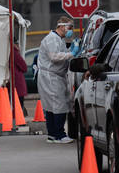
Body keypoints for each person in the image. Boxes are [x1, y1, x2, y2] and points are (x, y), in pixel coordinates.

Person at [37, 16, 80, 144]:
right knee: (59, 105)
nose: (71, 30)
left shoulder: (58, 39)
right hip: (51, 76)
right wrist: (72, 53)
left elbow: (62, 54)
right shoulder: (52, 39)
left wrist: (71, 50)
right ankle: (60, 135)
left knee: (51, 106)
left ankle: (52, 134)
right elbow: (54, 56)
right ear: (61, 26)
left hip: (54, 76)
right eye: (69, 27)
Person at [13, 39, 29, 117]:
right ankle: (19, 119)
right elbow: (24, 67)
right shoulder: (15, 53)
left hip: (14, 82)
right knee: (19, 102)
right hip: (17, 82)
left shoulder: (9, 52)